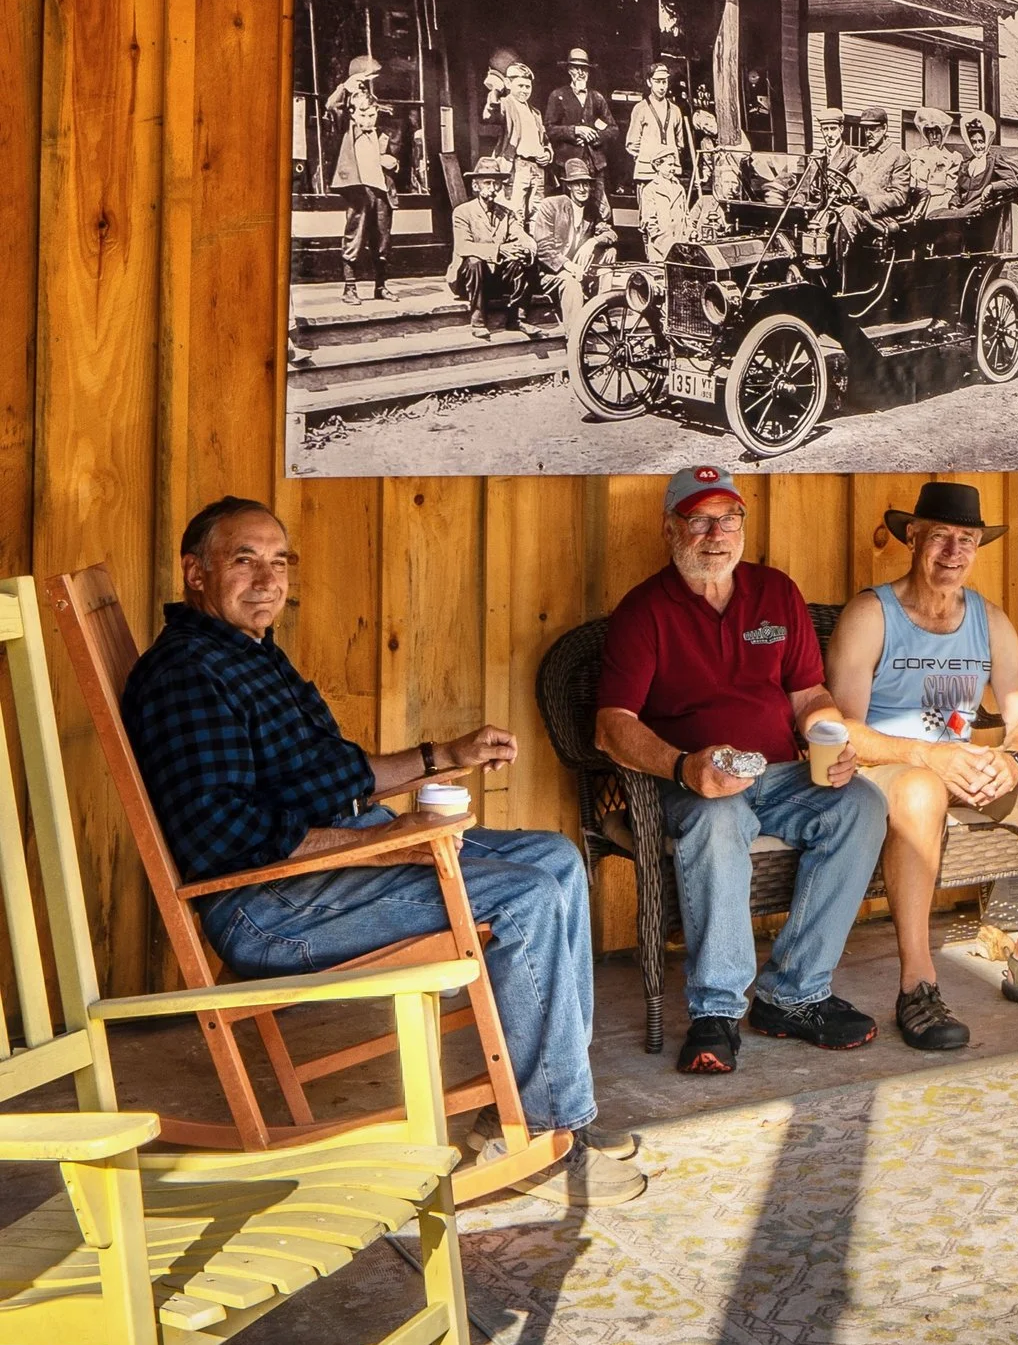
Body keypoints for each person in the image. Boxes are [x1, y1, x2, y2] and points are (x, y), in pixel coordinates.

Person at [121, 496, 641, 1204]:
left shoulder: (248, 655)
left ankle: (537, 1106)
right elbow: (224, 837)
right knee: (526, 896)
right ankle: (546, 1136)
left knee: (555, 858)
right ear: (197, 573)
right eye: (244, 560)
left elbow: (337, 773)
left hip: (322, 865)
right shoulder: (188, 676)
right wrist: (386, 843)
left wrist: (442, 755)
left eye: (279, 561)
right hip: (268, 906)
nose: (268, 579)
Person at [595, 467, 890, 1076]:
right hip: (690, 782)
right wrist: (683, 767)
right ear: (671, 528)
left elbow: (808, 694)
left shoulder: (776, 593)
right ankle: (716, 1011)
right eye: (700, 519)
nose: (716, 533)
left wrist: (832, 742)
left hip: (780, 773)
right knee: (717, 814)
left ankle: (793, 995)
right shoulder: (644, 610)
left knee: (860, 804)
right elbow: (612, 725)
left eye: (729, 518)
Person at [826, 481, 1018, 1052]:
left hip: (962, 767)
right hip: (891, 771)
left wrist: (1012, 759)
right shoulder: (872, 613)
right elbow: (844, 730)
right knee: (918, 790)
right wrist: (928, 756)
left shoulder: (988, 618)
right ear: (913, 537)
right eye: (941, 538)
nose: (954, 553)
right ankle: (918, 985)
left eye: (968, 540)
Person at [323, 53, 404, 305]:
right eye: (363, 115)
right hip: (358, 190)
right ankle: (350, 288)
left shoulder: (382, 134)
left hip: (381, 190)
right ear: (353, 115)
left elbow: (392, 159)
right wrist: (345, 87)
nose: (369, 119)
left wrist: (394, 163)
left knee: (382, 239)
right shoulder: (346, 131)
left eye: (372, 115)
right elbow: (331, 107)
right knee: (354, 237)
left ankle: (381, 286)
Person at [451, 154, 538, 338]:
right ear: (476, 186)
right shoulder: (462, 212)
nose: (493, 189)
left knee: (520, 260)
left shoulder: (506, 214)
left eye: (496, 184)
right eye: (487, 183)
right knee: (474, 261)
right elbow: (463, 247)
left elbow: (521, 235)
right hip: (469, 279)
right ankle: (478, 320)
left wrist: (528, 247)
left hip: (495, 279)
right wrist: (499, 250)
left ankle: (517, 319)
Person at [530, 154, 617, 311]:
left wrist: (592, 242)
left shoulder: (591, 209)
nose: (583, 189)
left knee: (610, 253)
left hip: (579, 267)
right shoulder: (552, 205)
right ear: (569, 186)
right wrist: (569, 266)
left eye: (586, 184)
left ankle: (600, 312)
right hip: (552, 271)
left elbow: (610, 233)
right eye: (577, 184)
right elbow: (543, 249)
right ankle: (575, 332)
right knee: (571, 284)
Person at [546, 46, 616, 216]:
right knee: (569, 208)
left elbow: (613, 129)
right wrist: (575, 131)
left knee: (601, 210)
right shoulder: (558, 96)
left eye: (584, 69)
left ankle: (598, 240)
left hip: (595, 164)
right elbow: (549, 129)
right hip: (569, 164)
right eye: (576, 68)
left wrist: (594, 136)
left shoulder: (597, 98)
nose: (580, 72)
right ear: (569, 70)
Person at [483, 57, 552, 212]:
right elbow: (490, 115)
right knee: (516, 210)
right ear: (508, 84)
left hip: (537, 167)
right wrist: (495, 91)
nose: (524, 90)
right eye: (520, 85)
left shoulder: (535, 113)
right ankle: (515, 237)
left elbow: (545, 140)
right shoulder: (506, 105)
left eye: (528, 87)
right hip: (516, 165)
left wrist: (547, 153)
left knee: (537, 210)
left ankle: (534, 237)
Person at [625, 63, 690, 196]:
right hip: (647, 173)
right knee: (649, 212)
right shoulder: (640, 109)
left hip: (670, 173)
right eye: (657, 82)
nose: (661, 86)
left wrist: (669, 162)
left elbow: (680, 143)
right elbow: (632, 144)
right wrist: (647, 157)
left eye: (664, 82)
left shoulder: (675, 110)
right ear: (649, 82)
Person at [638, 147, 693, 264]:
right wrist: (663, 243)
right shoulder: (650, 189)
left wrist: (690, 232)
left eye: (674, 165)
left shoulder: (679, 188)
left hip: (681, 246)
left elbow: (686, 215)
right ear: (658, 166)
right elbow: (649, 221)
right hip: (661, 249)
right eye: (669, 165)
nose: (673, 169)